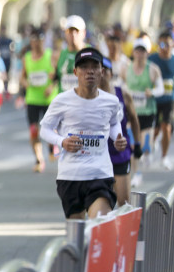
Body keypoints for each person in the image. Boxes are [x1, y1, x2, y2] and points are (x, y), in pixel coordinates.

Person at [40, 47, 127, 219]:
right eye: (84, 67)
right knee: (77, 231)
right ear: (75, 72)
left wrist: (117, 137)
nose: (90, 71)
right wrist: (62, 141)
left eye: (94, 67)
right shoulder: (61, 100)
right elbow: (45, 129)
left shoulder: (111, 101)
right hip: (71, 175)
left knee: (100, 223)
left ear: (102, 71)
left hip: (100, 174)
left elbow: (114, 123)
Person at [99, 57, 141, 206]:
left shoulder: (122, 94)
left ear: (111, 74)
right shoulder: (88, 97)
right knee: (102, 204)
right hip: (97, 156)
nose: (102, 74)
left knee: (124, 202)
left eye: (105, 70)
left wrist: (137, 143)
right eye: (99, 70)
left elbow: (134, 119)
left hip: (120, 154)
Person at [123, 38, 164, 187]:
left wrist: (152, 92)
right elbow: (121, 85)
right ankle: (137, 174)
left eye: (143, 51)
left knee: (145, 145)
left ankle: (148, 151)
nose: (140, 54)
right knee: (133, 145)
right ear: (133, 52)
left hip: (147, 112)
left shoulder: (153, 69)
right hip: (131, 112)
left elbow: (161, 89)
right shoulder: (126, 68)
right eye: (137, 51)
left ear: (147, 53)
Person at [19, 28, 58, 172]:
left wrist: (51, 86)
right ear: (31, 41)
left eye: (39, 39)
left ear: (44, 40)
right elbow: (22, 77)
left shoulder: (50, 55)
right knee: (34, 130)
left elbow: (57, 76)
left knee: (49, 128)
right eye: (34, 39)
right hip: (33, 99)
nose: (36, 43)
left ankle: (51, 146)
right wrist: (25, 83)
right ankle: (39, 160)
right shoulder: (27, 58)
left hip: (48, 99)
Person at [148, 32, 174, 170]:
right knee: (155, 129)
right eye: (161, 44)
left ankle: (164, 157)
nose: (164, 48)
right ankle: (152, 143)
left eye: (167, 44)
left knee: (167, 127)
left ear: (172, 44)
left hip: (169, 99)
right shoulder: (152, 59)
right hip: (154, 100)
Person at [53, 15, 87, 93]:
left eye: (77, 31)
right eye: (70, 31)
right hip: (64, 99)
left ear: (84, 33)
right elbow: (56, 78)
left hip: (83, 99)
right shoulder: (59, 54)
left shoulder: (91, 53)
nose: (73, 35)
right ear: (65, 33)